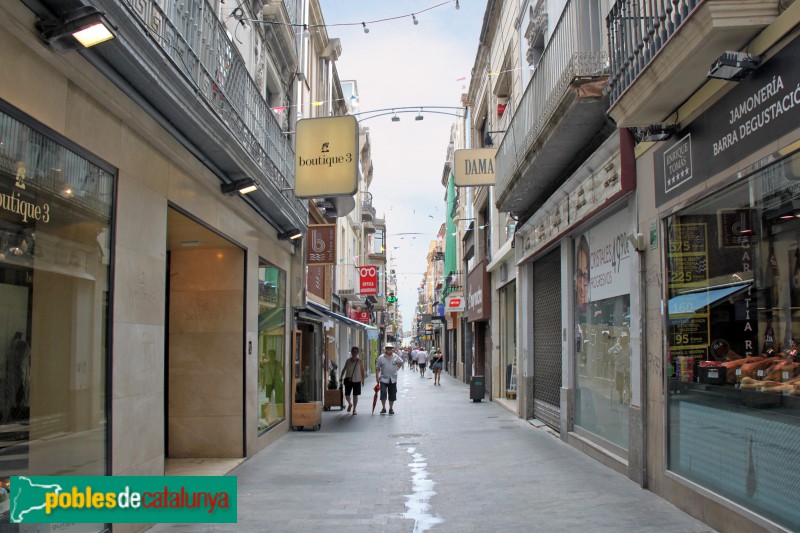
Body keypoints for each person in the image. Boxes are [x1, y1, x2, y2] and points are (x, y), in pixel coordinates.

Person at [375, 343, 404, 415]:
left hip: (392, 379)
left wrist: (397, 368)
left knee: (392, 394)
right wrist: (377, 376)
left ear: (392, 349)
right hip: (383, 379)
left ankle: (391, 408)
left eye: (390, 348)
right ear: (385, 349)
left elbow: (401, 362)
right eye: (387, 348)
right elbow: (377, 368)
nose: (389, 349)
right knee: (383, 393)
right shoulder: (381, 357)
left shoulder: (395, 356)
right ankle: (383, 408)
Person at [340, 346, 365, 415]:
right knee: (347, 394)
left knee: (355, 395)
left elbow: (362, 371)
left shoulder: (359, 361)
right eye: (353, 351)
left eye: (356, 352)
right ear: (351, 352)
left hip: (357, 380)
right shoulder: (348, 361)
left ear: (357, 353)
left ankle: (354, 409)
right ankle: (350, 403)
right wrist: (341, 377)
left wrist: (363, 380)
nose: (354, 353)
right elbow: (344, 369)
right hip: (348, 379)